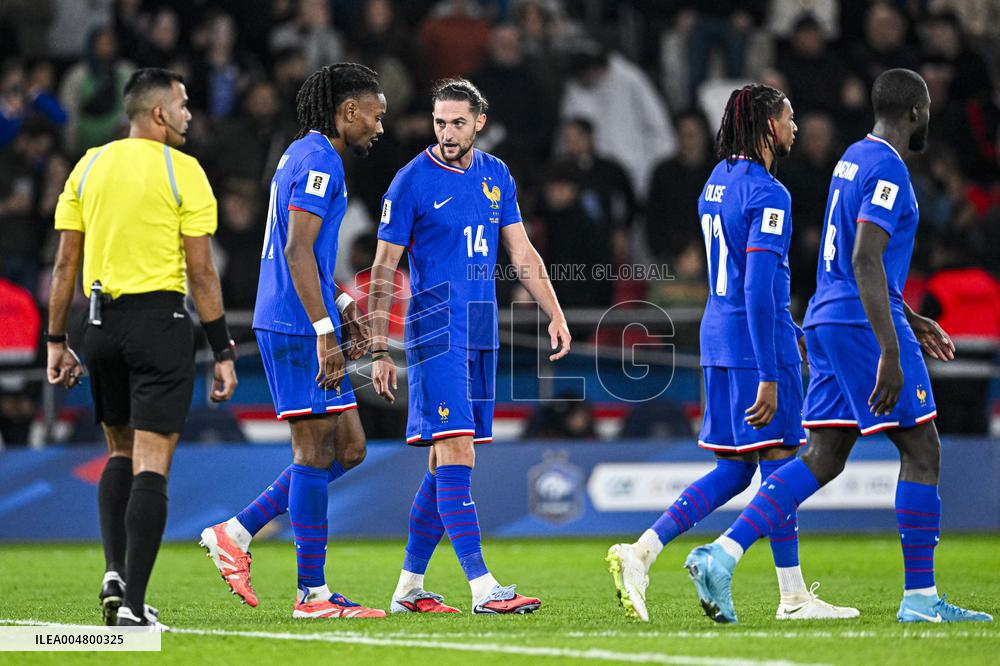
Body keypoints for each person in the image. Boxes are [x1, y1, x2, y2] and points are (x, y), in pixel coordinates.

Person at [684, 69, 994, 625]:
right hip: (859, 323)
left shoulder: (852, 157)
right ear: (917, 113)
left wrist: (911, 316)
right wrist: (891, 349)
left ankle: (722, 555)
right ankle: (920, 599)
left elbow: (851, 256)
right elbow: (865, 258)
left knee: (824, 457)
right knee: (922, 450)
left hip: (827, 318)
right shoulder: (889, 171)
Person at [607, 84, 857, 623]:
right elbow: (757, 288)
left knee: (737, 468)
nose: (794, 127)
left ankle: (642, 551)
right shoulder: (770, 194)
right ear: (769, 125)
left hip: (718, 339)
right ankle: (790, 596)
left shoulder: (714, 184)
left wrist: (791, 328)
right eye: (789, 117)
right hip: (754, 345)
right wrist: (771, 370)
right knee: (782, 459)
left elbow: (740, 281)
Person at [369, 78, 571, 615]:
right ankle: (484, 587)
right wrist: (377, 348)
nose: (447, 132)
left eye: (458, 122)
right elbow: (384, 267)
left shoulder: (496, 174)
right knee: (456, 448)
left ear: (479, 121)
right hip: (435, 328)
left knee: (446, 463)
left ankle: (409, 588)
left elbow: (522, 252)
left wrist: (554, 312)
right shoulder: (410, 181)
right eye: (440, 122)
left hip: (481, 327)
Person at [46, 68, 238, 630]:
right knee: (153, 463)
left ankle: (113, 570)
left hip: (98, 325)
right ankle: (132, 609)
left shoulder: (89, 165)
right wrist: (221, 347)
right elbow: (201, 269)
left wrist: (58, 341)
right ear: (157, 113)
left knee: (119, 453)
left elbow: (64, 264)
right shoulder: (184, 172)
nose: (188, 114)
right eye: (182, 104)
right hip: (160, 324)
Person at [198, 63, 386, 620]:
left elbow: (307, 251)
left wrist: (345, 304)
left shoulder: (303, 154)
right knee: (312, 451)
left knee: (350, 446)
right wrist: (326, 330)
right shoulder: (319, 160)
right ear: (348, 111)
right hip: (295, 323)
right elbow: (296, 253)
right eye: (375, 115)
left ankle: (236, 531)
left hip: (310, 312)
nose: (379, 127)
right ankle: (313, 594)